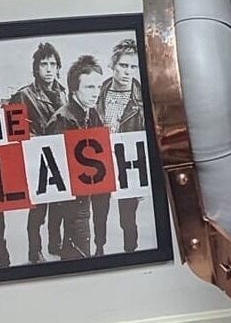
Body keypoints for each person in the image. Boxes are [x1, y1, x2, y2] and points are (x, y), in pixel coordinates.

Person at [6, 42, 67, 264]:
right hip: (37, 159)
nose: (49, 69)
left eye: (53, 64)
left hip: (59, 157)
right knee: (38, 210)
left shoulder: (63, 92)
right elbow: (12, 129)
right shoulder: (24, 95)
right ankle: (35, 251)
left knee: (59, 205)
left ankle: (55, 244)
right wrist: (32, 140)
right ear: (36, 68)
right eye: (44, 64)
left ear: (58, 67)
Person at [47, 56, 104, 260]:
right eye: (89, 87)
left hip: (86, 194)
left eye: (98, 86)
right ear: (74, 90)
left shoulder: (92, 114)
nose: (96, 92)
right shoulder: (62, 120)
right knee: (78, 253)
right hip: (72, 201)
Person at [90, 39, 143, 256]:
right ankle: (99, 249)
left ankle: (131, 252)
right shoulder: (98, 92)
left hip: (128, 163)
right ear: (113, 65)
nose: (128, 71)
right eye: (123, 65)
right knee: (99, 212)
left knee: (128, 217)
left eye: (133, 66)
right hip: (99, 160)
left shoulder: (141, 99)